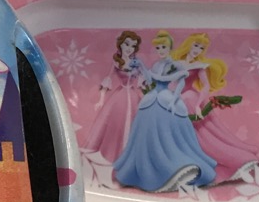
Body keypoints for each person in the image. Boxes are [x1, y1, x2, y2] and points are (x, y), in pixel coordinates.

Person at [112, 31, 216, 192]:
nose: (161, 50)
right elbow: (150, 80)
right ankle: (146, 168)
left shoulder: (177, 65)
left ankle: (172, 165)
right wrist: (141, 66)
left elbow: (180, 83)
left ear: (170, 48)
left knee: (169, 135)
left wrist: (175, 99)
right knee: (145, 131)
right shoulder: (156, 65)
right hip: (152, 98)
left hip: (168, 100)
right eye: (158, 48)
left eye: (164, 47)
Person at [173, 33, 259, 183]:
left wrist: (198, 104)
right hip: (173, 99)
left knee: (201, 134)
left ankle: (215, 160)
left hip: (189, 99)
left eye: (201, 48)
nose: (197, 50)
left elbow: (206, 86)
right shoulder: (175, 63)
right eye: (196, 45)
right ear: (189, 45)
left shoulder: (200, 66)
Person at [81, 30, 145, 164]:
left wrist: (146, 98)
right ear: (120, 44)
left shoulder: (136, 63)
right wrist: (100, 100)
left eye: (133, 46)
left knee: (135, 124)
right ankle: (114, 155)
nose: (129, 48)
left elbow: (141, 84)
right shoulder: (117, 62)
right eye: (127, 44)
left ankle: (132, 157)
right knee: (115, 125)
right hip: (119, 97)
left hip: (134, 96)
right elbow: (107, 80)